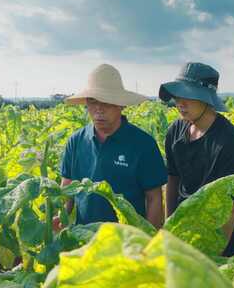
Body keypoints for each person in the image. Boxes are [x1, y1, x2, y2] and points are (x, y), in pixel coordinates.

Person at [158, 62, 234, 256]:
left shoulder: (231, 142)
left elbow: (233, 209)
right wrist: (169, 227)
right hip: (183, 232)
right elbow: (172, 178)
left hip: (219, 239)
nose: (180, 103)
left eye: (188, 96)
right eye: (177, 96)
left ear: (207, 100)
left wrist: (211, 256)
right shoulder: (175, 131)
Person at [60, 63, 168, 229]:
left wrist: (148, 241)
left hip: (126, 242)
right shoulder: (75, 141)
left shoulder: (143, 144)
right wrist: (62, 214)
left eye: (106, 101)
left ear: (120, 104)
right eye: (93, 101)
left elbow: (154, 198)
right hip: (83, 240)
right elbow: (67, 185)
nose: (99, 109)